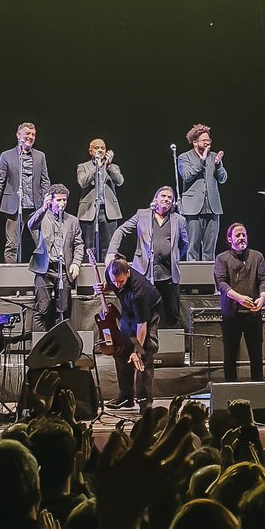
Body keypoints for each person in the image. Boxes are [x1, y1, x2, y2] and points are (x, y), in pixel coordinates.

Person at [106, 186, 188, 328]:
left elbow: (184, 244)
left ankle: (176, 345)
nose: (166, 199)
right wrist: (112, 251)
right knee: (141, 312)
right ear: (155, 199)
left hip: (168, 274)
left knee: (172, 314)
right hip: (144, 271)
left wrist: (174, 256)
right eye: (163, 196)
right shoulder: (142, 215)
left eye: (170, 197)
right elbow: (121, 230)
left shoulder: (179, 220)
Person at [96, 256, 161, 411]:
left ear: (128, 274)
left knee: (144, 352)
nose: (117, 285)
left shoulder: (140, 292)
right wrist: (103, 288)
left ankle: (145, 400)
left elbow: (142, 326)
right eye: (115, 282)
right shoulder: (111, 273)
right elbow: (110, 285)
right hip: (128, 310)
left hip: (148, 313)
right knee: (120, 349)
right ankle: (126, 397)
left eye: (121, 282)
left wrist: (136, 351)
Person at [0, 122, 51, 263]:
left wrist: (48, 204)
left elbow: (45, 181)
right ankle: (11, 281)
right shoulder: (6, 156)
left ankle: (45, 277)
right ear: (18, 135)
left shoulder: (40, 156)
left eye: (33, 134)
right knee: (12, 245)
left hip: (36, 208)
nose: (30, 137)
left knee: (43, 243)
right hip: (13, 207)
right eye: (27, 133)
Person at [25, 183, 84, 332]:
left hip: (63, 270)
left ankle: (62, 347)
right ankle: (39, 347)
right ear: (50, 201)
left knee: (63, 310)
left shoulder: (72, 221)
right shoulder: (41, 217)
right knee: (42, 308)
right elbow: (31, 225)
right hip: (45, 269)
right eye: (58, 200)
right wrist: (43, 209)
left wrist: (76, 263)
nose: (62, 203)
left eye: (64, 200)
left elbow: (79, 244)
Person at [214, 222, 265, 382]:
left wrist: (262, 297)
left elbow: (264, 279)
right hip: (232, 315)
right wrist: (239, 298)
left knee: (256, 357)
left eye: (244, 235)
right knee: (230, 356)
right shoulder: (222, 258)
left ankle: (258, 391)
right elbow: (221, 284)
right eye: (237, 235)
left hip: (253, 314)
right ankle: (231, 391)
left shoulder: (257, 257)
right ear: (229, 239)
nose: (241, 238)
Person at [177, 123, 227, 261]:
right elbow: (186, 175)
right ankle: (192, 282)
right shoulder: (184, 157)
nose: (207, 143)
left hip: (213, 208)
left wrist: (218, 166)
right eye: (204, 140)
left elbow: (223, 179)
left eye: (208, 140)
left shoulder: (215, 156)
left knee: (209, 250)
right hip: (193, 209)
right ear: (195, 142)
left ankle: (208, 281)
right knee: (192, 247)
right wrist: (201, 160)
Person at [76, 137, 124, 258]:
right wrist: (97, 168)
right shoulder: (83, 166)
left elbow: (120, 181)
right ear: (90, 151)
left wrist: (107, 166)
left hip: (109, 212)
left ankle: (107, 274)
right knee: (89, 247)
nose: (100, 150)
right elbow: (82, 182)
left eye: (103, 148)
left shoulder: (113, 167)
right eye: (97, 148)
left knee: (108, 247)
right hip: (89, 211)